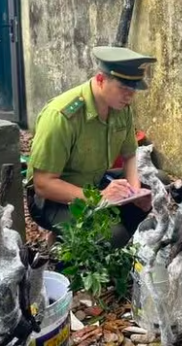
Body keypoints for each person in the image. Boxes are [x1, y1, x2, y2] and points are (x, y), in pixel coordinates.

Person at [25, 46, 160, 248]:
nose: (129, 96)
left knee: (156, 183)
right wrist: (99, 198)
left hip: (95, 184)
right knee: (112, 236)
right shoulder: (62, 116)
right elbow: (43, 184)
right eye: (123, 88)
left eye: (133, 90)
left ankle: (118, 237)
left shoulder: (120, 107)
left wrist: (135, 192)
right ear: (100, 79)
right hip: (53, 201)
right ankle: (66, 244)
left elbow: (130, 154)